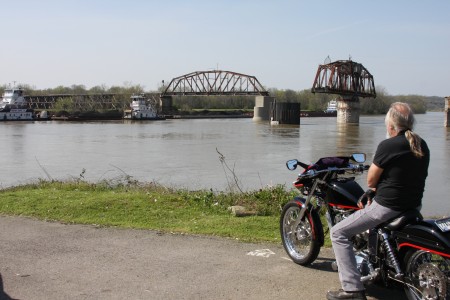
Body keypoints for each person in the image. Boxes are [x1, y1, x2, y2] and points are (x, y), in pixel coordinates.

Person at [326, 102, 430, 300]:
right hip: (413, 205)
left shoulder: (388, 145)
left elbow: (371, 179)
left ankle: (352, 289)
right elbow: (402, 175)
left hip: (387, 207)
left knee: (338, 232)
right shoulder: (420, 143)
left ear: (391, 125)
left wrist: (373, 188)